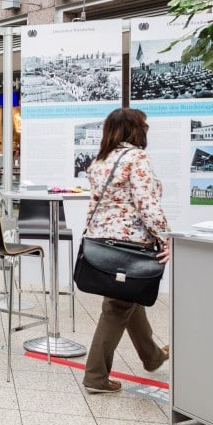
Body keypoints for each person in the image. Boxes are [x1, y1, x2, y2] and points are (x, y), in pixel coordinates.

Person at [82, 108, 170, 393]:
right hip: (129, 244)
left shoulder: (100, 161)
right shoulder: (136, 159)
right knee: (118, 306)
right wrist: (167, 239)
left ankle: (152, 356)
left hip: (102, 242)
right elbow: (147, 205)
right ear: (136, 129)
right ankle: (95, 376)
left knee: (128, 298)